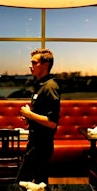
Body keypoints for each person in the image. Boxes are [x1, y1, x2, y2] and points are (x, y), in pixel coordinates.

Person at [16, 48, 61, 185]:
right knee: (40, 183)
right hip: (35, 142)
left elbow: (52, 123)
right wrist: (29, 118)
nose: (30, 66)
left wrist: (30, 114)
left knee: (21, 183)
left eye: (34, 63)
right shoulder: (40, 85)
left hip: (41, 145)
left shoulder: (50, 87)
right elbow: (40, 116)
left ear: (45, 65)